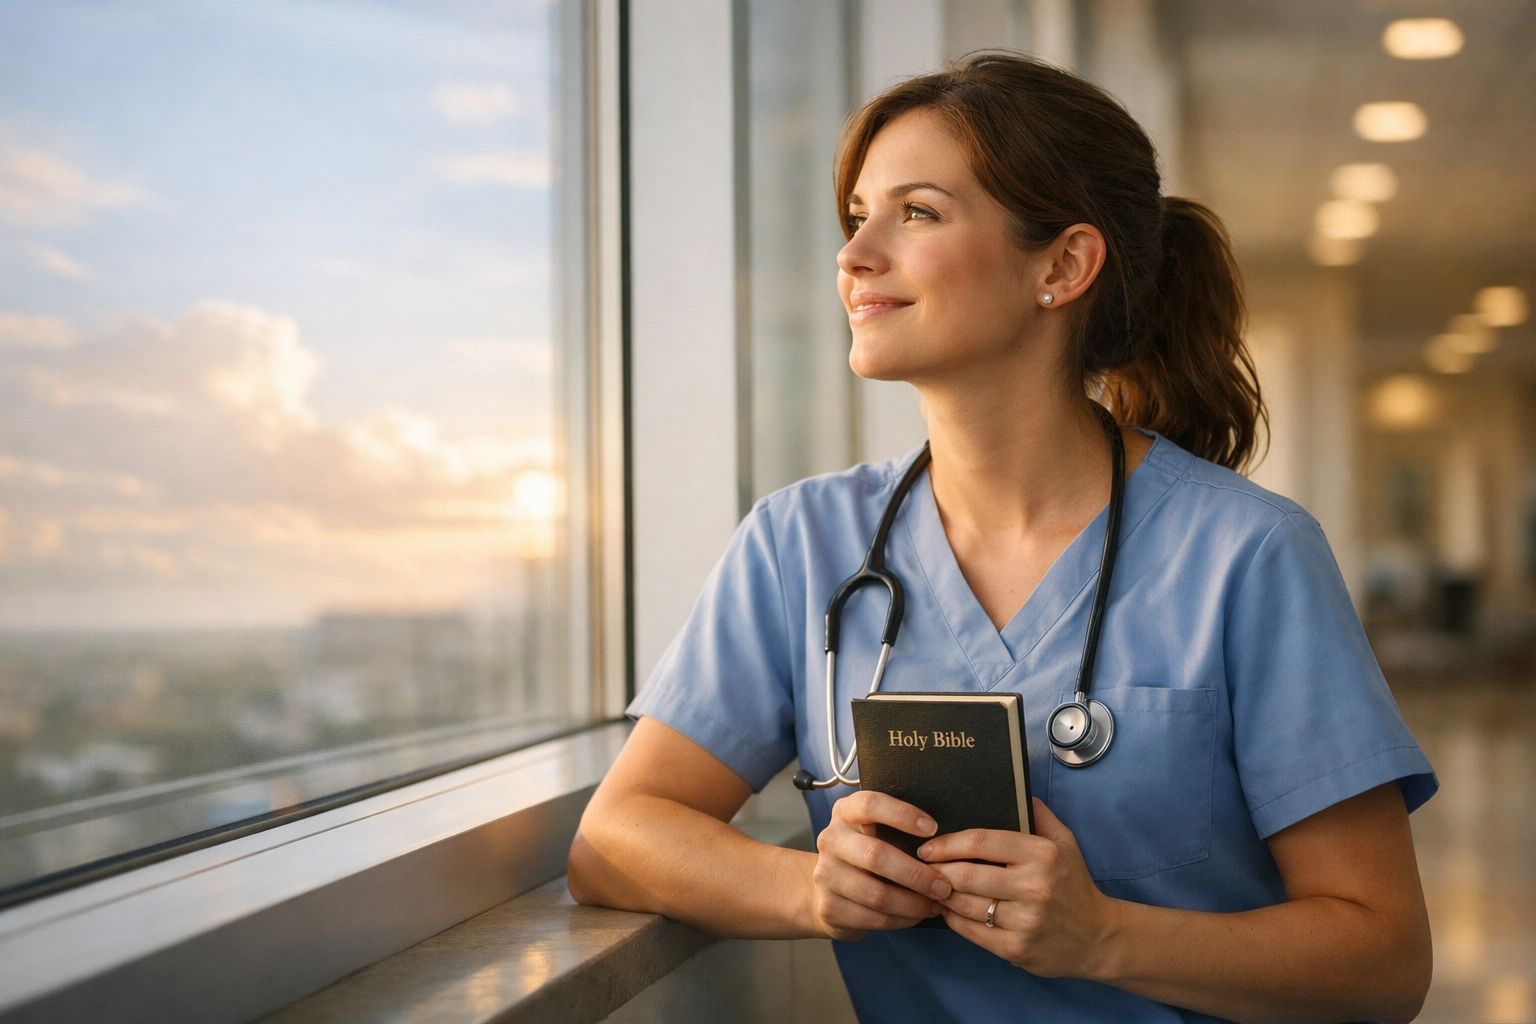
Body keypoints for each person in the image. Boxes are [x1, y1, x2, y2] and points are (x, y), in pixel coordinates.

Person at [568, 53, 1435, 1024]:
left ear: (1062, 266)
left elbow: (1385, 958)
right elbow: (615, 837)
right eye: (857, 216)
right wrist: (812, 889)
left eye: (918, 213)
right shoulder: (800, 543)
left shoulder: (1249, 555)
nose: (854, 255)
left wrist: (1105, 935)